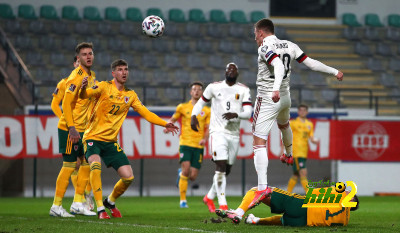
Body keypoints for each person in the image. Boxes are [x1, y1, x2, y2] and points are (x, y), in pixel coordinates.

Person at [249, 18, 344, 208]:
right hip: (286, 97)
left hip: (269, 97)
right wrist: (334, 72)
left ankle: (262, 188)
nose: (255, 39)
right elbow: (311, 63)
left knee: (258, 142)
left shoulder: (264, 47)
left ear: (260, 33)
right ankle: (289, 153)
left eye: (255, 34)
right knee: (284, 125)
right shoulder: (290, 45)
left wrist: (275, 88)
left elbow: (277, 66)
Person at [79, 59, 179, 219]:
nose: (124, 72)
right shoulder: (104, 86)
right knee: (95, 166)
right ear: (113, 73)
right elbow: (85, 95)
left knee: (128, 177)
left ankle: (110, 202)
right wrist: (83, 88)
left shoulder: (130, 95)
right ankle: (100, 209)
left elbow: (146, 113)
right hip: (92, 137)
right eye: (120, 69)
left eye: (126, 69)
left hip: (111, 142)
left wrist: (164, 123)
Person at [191, 63, 252, 212]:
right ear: (225, 72)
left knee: (227, 169)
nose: (231, 71)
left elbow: (249, 112)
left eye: (234, 69)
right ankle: (223, 204)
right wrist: (194, 115)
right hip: (217, 132)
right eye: (229, 69)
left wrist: (236, 114)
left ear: (237, 73)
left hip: (234, 134)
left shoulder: (243, 89)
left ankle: (209, 197)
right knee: (220, 166)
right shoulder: (214, 87)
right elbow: (200, 103)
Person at [49, 42, 97, 217]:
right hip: (71, 128)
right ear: (78, 58)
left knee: (86, 162)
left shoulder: (91, 76)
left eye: (90, 53)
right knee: (69, 166)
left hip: (85, 129)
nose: (88, 56)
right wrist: (71, 128)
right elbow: (66, 104)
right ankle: (56, 205)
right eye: (84, 54)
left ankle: (77, 203)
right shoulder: (74, 77)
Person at [216, 187, 359, 226]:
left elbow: (313, 193)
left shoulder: (340, 195)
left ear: (351, 198)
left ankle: (239, 213)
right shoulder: (344, 220)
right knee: (283, 219)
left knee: (259, 190)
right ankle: (255, 220)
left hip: (302, 205)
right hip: (304, 223)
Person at [166, 82, 211, 208]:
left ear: (202, 93)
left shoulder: (206, 110)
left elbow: (207, 128)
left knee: (192, 176)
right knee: (186, 171)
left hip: (198, 145)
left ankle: (180, 174)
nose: (196, 91)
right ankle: (183, 200)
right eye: (194, 89)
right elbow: (173, 119)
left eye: (199, 90)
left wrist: (204, 139)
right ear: (191, 92)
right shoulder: (182, 107)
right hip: (185, 143)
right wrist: (168, 126)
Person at [287, 104, 319, 193]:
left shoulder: (310, 124)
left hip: (304, 153)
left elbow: (311, 138)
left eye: (304, 110)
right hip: (296, 152)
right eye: (300, 110)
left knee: (296, 175)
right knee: (303, 173)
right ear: (298, 112)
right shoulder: (293, 123)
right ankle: (310, 195)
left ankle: (287, 194)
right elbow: (287, 136)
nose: (302, 112)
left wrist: (314, 141)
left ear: (307, 112)